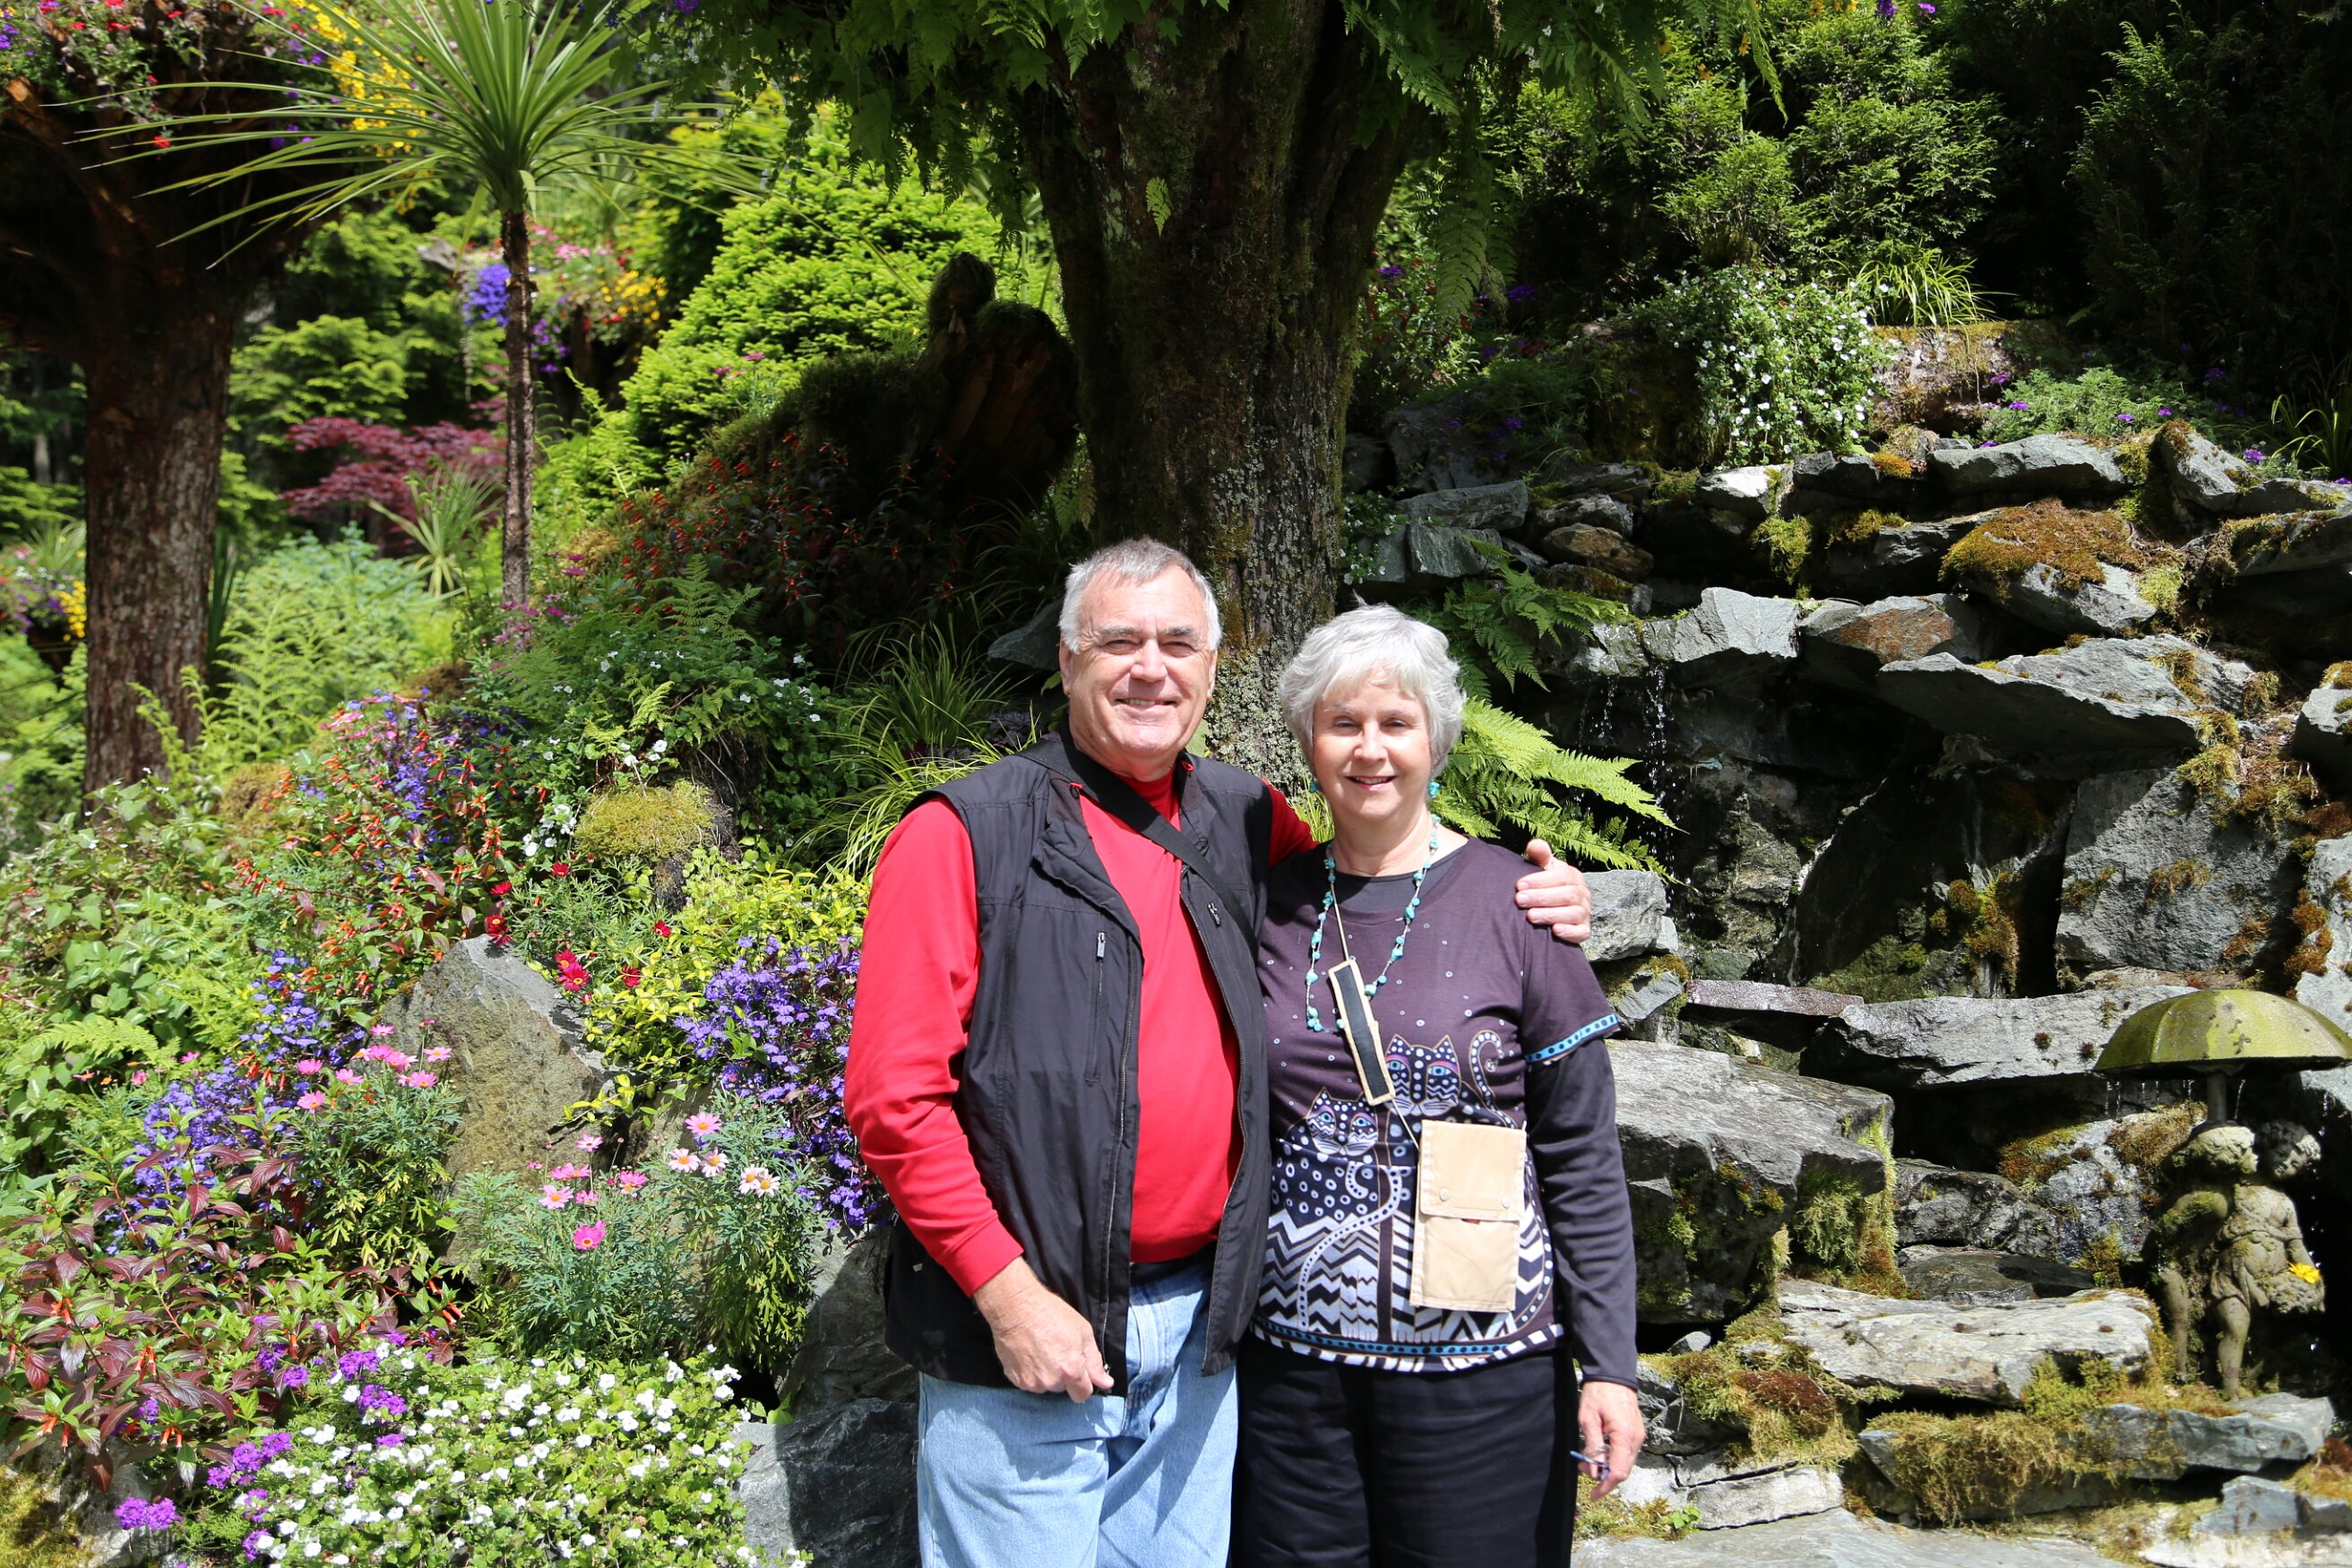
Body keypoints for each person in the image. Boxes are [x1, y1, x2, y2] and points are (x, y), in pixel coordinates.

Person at [843, 539, 1599, 1568]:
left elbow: (1381, 868)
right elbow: (894, 1101)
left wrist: (1522, 892)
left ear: (1211, 667)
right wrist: (1007, 1297)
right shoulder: (961, 834)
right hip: (1030, 1334)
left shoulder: (1244, 819)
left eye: (1177, 643)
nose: (1150, 668)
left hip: (1202, 1337)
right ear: (1066, 660)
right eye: (1119, 641)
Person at [1234, 604, 1642, 1568]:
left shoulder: (1519, 906)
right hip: (1292, 1386)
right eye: (1342, 723)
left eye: (1396, 723)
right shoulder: (1264, 906)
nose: (1370, 749)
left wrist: (1610, 1366)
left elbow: (1581, 1155)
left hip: (1483, 1381)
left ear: (1437, 741)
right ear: (1307, 741)